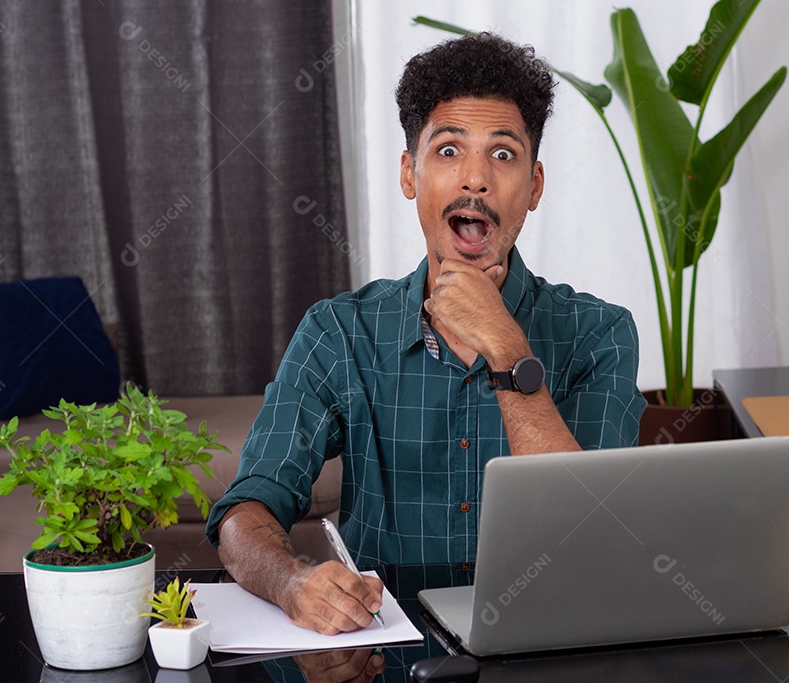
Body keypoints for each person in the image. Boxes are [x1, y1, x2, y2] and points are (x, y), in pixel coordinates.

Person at [207, 32, 647, 639]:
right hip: (382, 657)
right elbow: (244, 511)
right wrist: (290, 582)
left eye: (502, 154)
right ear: (409, 174)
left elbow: (594, 537)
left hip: (547, 649)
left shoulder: (599, 334)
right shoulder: (338, 331)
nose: (475, 180)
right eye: (447, 151)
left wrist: (506, 347)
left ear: (535, 186)